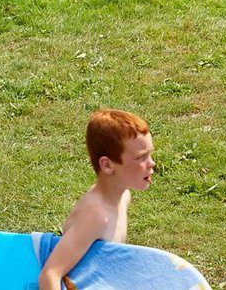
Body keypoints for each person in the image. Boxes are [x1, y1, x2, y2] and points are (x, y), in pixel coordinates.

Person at [38, 109, 156, 290]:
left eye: (150, 154)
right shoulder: (96, 215)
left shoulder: (123, 196)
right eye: (141, 157)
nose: (152, 163)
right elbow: (50, 275)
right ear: (107, 165)